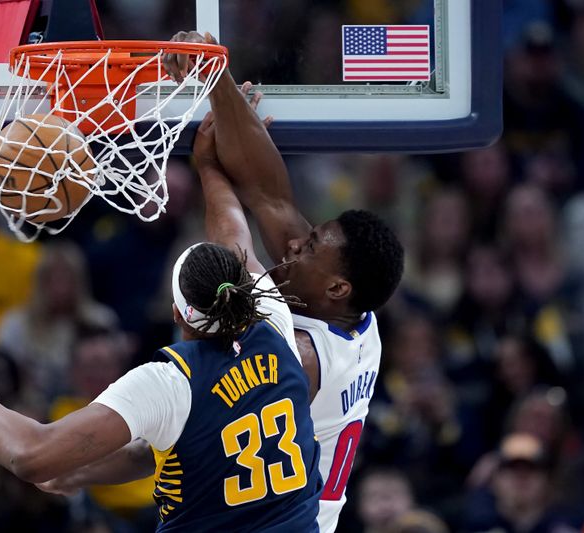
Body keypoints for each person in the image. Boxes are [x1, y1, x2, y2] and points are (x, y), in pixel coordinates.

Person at [0, 118, 323, 531]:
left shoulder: (169, 383)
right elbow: (233, 232)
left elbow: (28, 454)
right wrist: (79, 472)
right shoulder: (274, 319)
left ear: (178, 314)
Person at [161, 30, 405, 532]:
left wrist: (207, 164)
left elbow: (232, 255)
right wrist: (219, 85)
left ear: (337, 287)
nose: (296, 245)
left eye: (311, 247)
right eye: (310, 238)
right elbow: (270, 197)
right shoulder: (349, 300)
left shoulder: (300, 349)